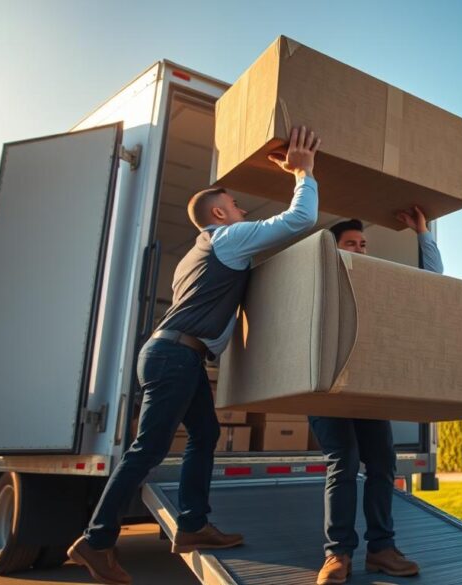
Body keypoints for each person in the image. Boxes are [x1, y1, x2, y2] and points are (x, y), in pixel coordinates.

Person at [68, 127, 322, 585]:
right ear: (220, 213)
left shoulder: (194, 256)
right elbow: (300, 219)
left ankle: (192, 525)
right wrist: (302, 172)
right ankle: (96, 540)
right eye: (236, 205)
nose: (242, 211)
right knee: (148, 449)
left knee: (205, 434)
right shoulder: (228, 237)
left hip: (174, 354)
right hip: (175, 356)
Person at [312, 207, 442, 585]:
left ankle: (382, 550)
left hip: (365, 389)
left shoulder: (376, 281)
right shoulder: (321, 279)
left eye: (364, 244)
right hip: (327, 390)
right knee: (344, 461)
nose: (360, 249)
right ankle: (338, 554)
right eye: (351, 243)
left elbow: (432, 284)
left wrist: (423, 234)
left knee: (383, 463)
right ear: (334, 248)